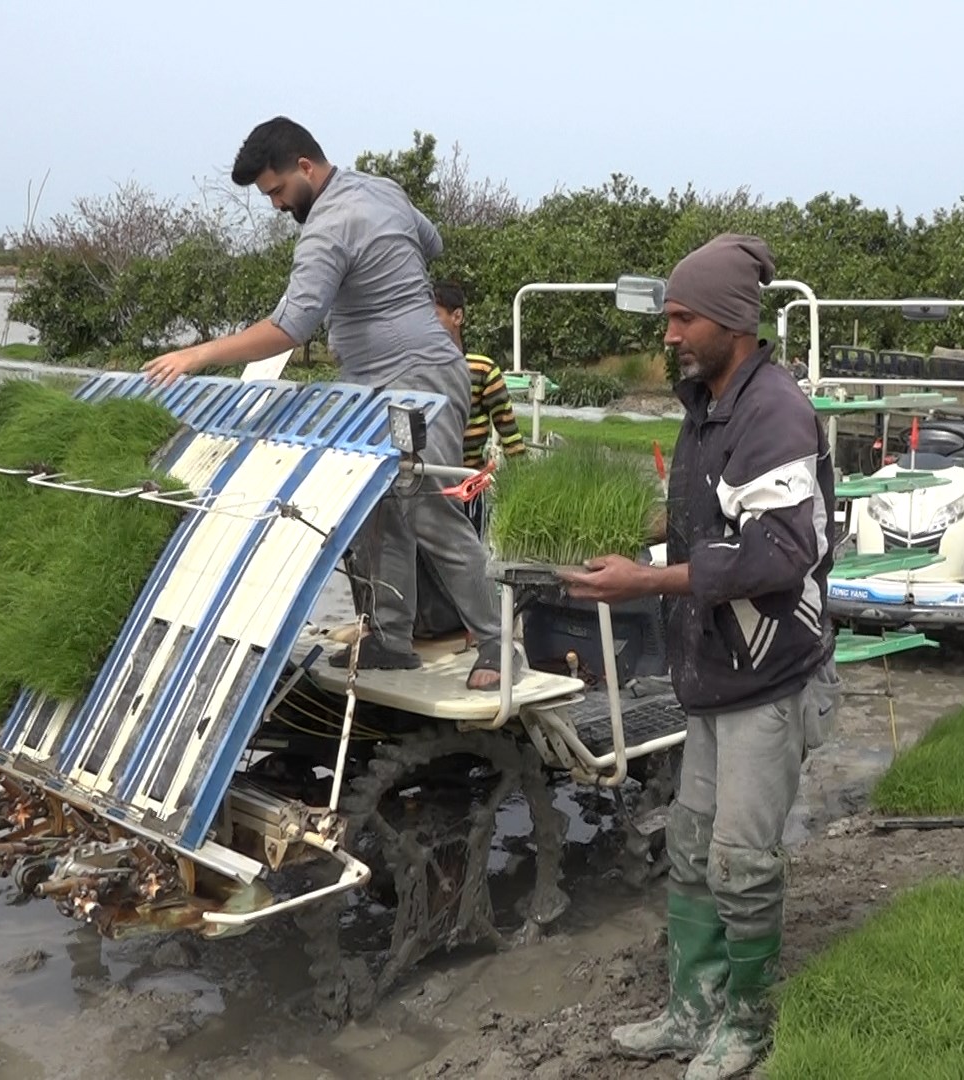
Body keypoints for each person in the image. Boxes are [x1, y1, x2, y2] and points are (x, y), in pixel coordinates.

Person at [560, 233, 839, 1080]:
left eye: (683, 318)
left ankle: (747, 1024)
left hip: (768, 672)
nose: (669, 334)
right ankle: (691, 1008)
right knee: (691, 845)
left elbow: (777, 554)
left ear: (731, 321)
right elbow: (706, 520)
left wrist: (649, 578)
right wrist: (619, 528)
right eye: (669, 318)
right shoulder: (707, 404)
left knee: (744, 862)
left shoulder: (774, 413)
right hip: (714, 673)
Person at [140, 116, 505, 690]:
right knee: (379, 512)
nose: (278, 206)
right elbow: (431, 243)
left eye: (278, 192)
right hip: (376, 383)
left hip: (418, 378)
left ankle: (497, 646)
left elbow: (292, 324)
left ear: (305, 167)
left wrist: (197, 355)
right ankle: (389, 640)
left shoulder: (328, 224)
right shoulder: (382, 189)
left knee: (430, 509)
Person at [432, 280, 526, 473]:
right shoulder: (417, 369)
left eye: (435, 316)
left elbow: (508, 430)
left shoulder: (482, 369)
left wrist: (525, 481)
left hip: (469, 480)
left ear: (457, 317)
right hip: (428, 478)